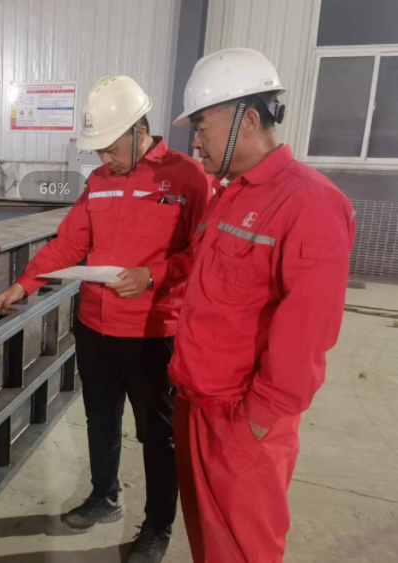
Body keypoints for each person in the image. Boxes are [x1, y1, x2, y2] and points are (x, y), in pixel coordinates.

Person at [0, 76, 213, 563]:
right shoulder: (100, 181)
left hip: (153, 331)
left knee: (157, 434)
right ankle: (104, 496)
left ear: (139, 131)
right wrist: (25, 283)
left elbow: (204, 252)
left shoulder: (187, 177)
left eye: (110, 147)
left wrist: (152, 276)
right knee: (101, 419)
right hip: (94, 327)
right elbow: (71, 242)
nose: (104, 158)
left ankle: (157, 526)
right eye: (99, 150)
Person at [169, 48, 356, 563]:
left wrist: (259, 417)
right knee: (209, 544)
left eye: (201, 126)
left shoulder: (309, 202)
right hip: (196, 403)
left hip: (241, 420)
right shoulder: (229, 195)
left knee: (243, 551)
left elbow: (308, 328)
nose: (195, 140)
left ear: (248, 121)